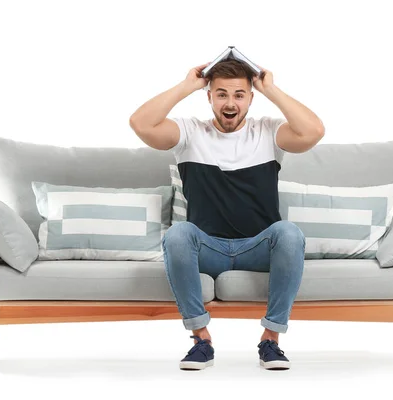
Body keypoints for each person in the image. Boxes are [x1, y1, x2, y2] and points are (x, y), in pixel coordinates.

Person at [129, 59, 325, 370]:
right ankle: (201, 340)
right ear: (208, 97)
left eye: (239, 94)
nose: (230, 103)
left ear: (250, 97)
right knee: (178, 233)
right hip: (209, 250)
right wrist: (186, 86)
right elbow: (141, 124)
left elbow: (314, 131)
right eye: (221, 94)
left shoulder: (268, 132)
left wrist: (271, 89)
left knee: (289, 233)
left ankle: (270, 340)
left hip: (257, 249)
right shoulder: (191, 132)